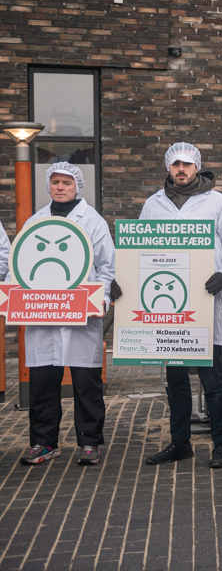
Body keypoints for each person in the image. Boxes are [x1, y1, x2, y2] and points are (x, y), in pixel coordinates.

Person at [141, 142, 222, 469]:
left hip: (203, 301)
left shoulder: (218, 202)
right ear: (168, 168)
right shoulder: (154, 204)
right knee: (176, 380)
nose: (181, 170)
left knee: (213, 379)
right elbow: (140, 248)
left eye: (187, 164)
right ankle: (180, 442)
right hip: (168, 305)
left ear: (197, 167)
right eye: (175, 165)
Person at [15, 162, 115, 466]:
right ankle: (44, 443)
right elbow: (22, 266)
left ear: (77, 187)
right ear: (48, 185)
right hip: (44, 315)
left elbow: (106, 266)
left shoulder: (92, 221)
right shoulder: (35, 222)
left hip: (81, 315)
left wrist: (102, 298)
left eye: (67, 183)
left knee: (86, 382)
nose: (60, 187)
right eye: (56, 182)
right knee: (43, 381)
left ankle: (90, 442)